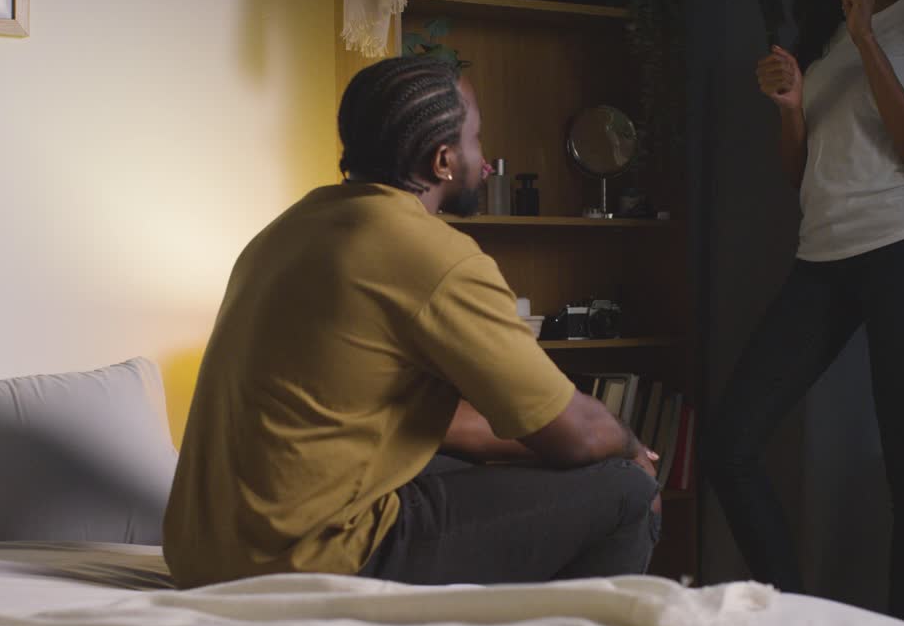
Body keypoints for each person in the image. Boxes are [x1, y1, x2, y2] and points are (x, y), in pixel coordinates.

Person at [163, 57, 661, 589]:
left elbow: (433, 425)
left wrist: (543, 455)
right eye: (476, 139)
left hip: (203, 555)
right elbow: (577, 435)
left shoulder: (288, 231)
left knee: (460, 472)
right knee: (625, 492)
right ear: (443, 160)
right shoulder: (432, 255)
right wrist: (632, 451)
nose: (487, 161)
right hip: (310, 557)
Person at [706, 0, 904, 626]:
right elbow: (801, 173)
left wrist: (865, 38)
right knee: (731, 445)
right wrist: (792, 109)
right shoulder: (827, 28)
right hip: (825, 255)